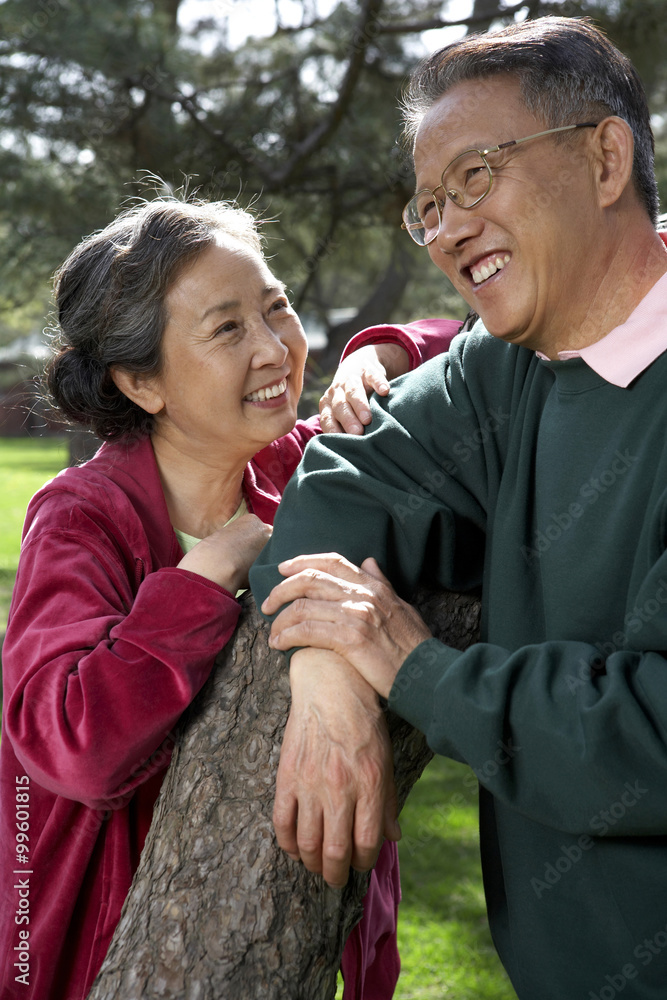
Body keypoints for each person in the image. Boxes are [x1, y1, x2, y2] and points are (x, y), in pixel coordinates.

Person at [251, 16, 667, 1000]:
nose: (444, 229)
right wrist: (325, 669)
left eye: (475, 177)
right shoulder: (501, 364)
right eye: (427, 205)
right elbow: (347, 475)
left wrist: (411, 668)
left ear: (605, 157)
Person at [0, 197, 460, 1000]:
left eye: (275, 306)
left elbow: (489, 349)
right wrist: (204, 573)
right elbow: (66, 741)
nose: (276, 346)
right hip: (102, 940)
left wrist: (381, 354)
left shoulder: (311, 464)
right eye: (226, 329)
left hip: (304, 926)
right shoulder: (83, 518)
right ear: (142, 382)